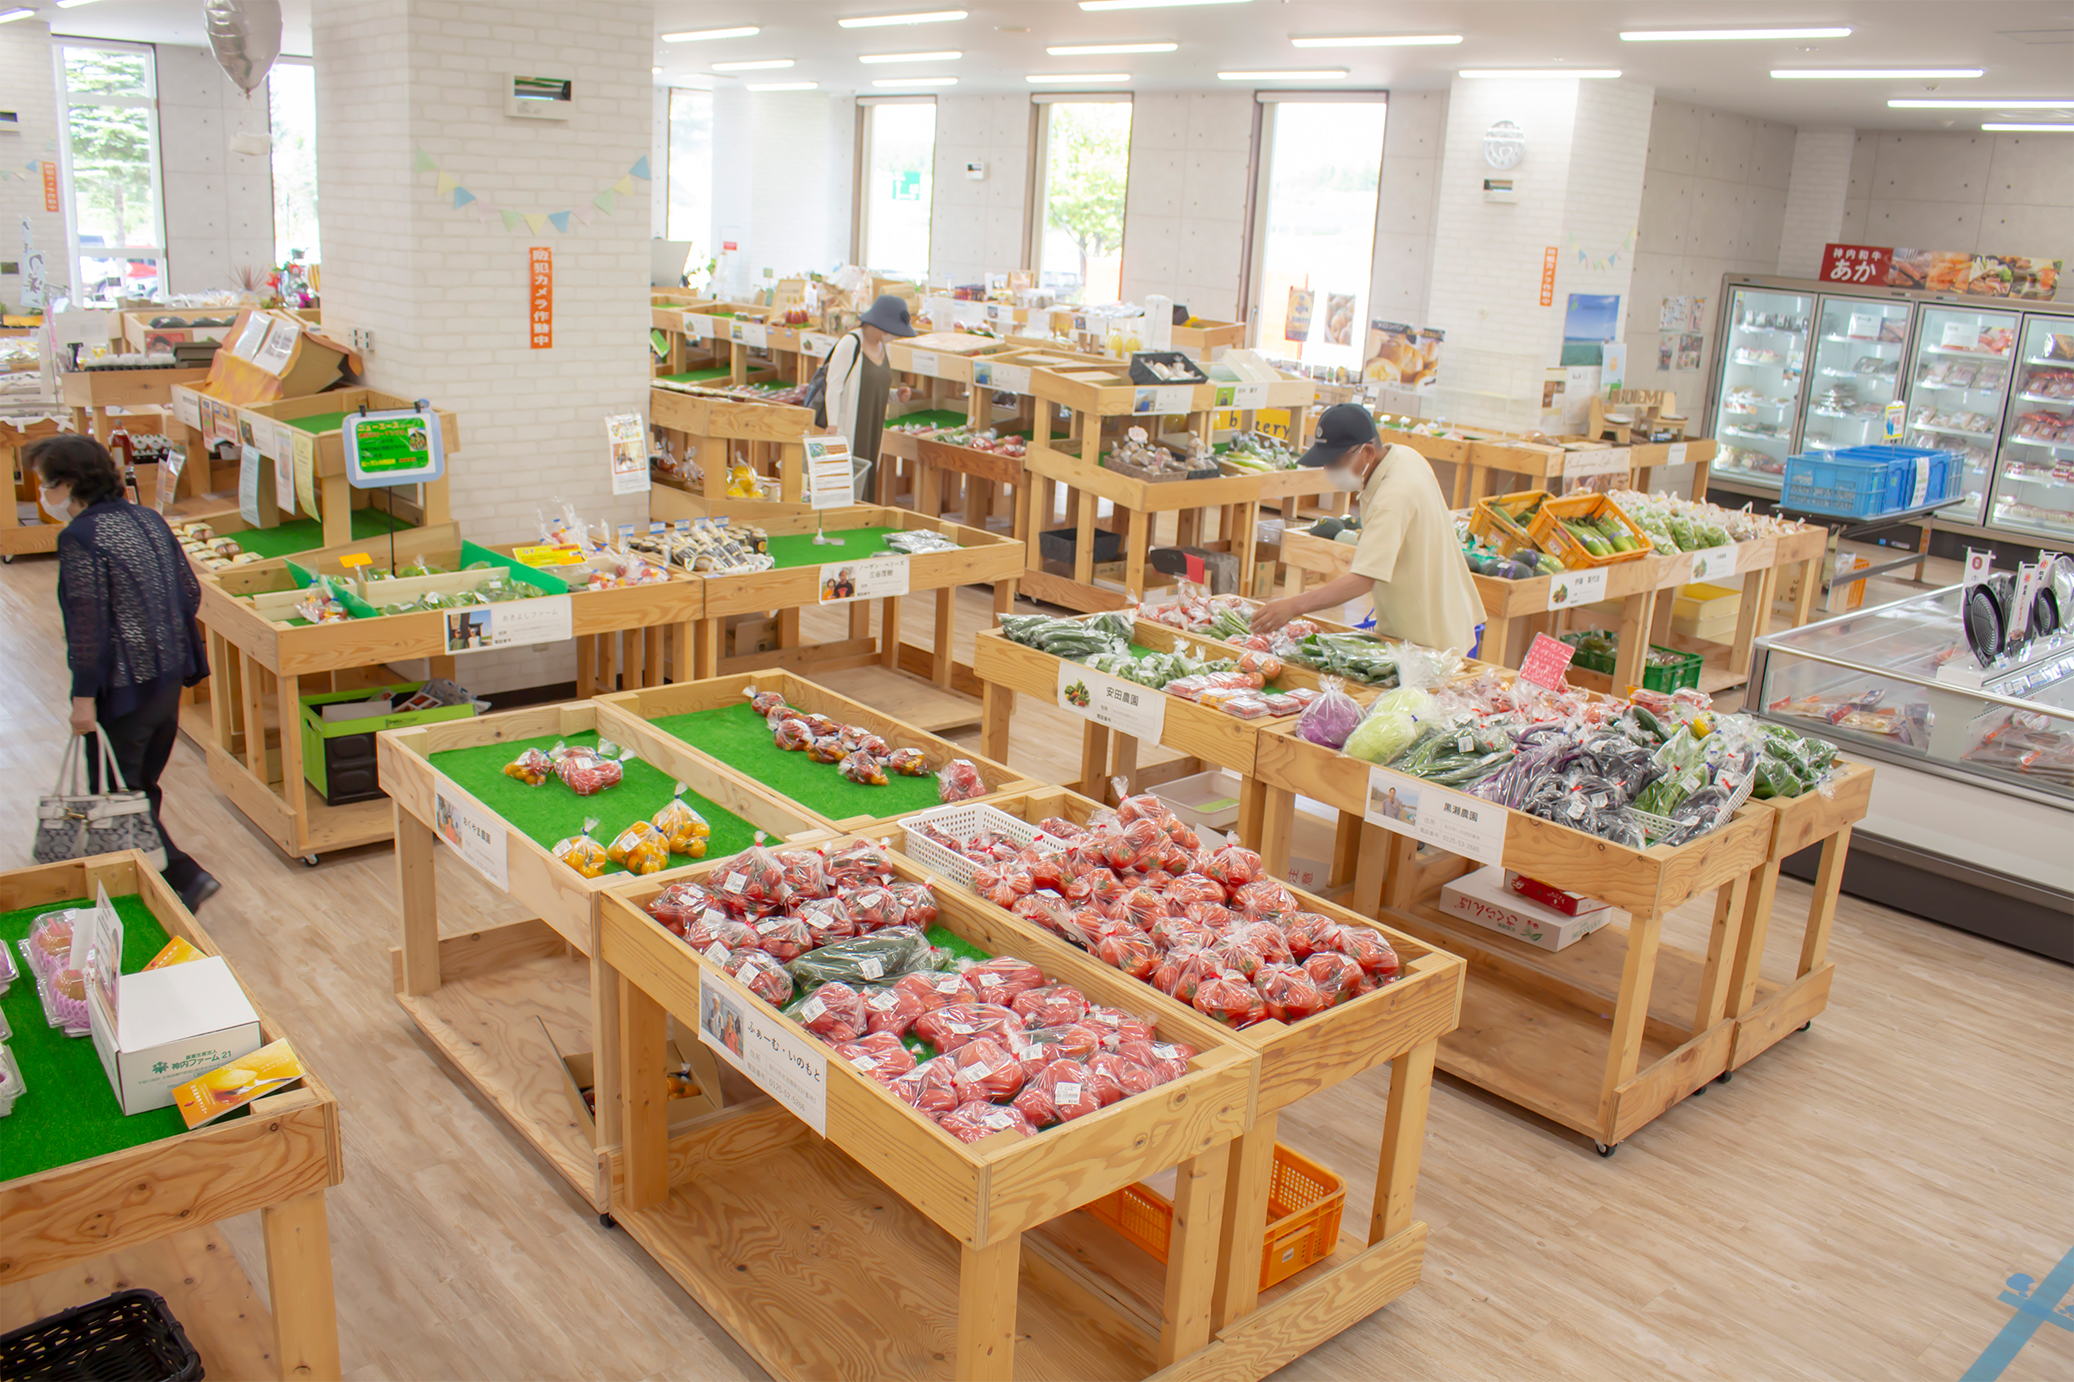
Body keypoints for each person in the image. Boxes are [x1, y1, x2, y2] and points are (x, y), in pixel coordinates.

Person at [31, 434, 218, 911]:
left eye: (46, 485)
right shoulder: (148, 519)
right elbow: (189, 592)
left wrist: (82, 699)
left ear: (68, 483)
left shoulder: (81, 537)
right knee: (141, 785)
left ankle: (183, 875)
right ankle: (153, 878)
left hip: (124, 687)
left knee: (118, 792)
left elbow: (87, 627)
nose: (44, 496)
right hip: (168, 676)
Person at [1250, 404, 1482, 654]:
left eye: (1335, 462)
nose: (1330, 470)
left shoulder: (1393, 497)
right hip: (1445, 615)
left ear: (1368, 452)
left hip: (1430, 638)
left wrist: (1294, 605)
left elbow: (1362, 580)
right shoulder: (1406, 456)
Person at [822, 293, 917, 502]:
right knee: (847, 481)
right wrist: (833, 424)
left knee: (866, 476)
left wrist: (896, 395)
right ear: (883, 326)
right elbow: (834, 386)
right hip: (851, 427)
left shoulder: (884, 348)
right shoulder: (851, 343)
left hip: (873, 426)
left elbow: (873, 388)